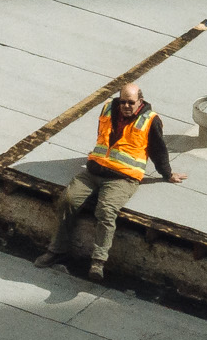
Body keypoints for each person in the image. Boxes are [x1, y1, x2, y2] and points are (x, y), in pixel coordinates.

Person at [36, 79, 186, 280]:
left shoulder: (150, 120)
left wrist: (167, 174)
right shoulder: (108, 108)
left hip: (123, 178)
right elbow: (102, 136)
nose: (126, 106)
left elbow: (159, 151)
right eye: (123, 101)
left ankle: (98, 262)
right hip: (93, 172)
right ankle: (56, 250)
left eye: (131, 103)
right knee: (67, 200)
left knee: (106, 210)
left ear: (140, 101)